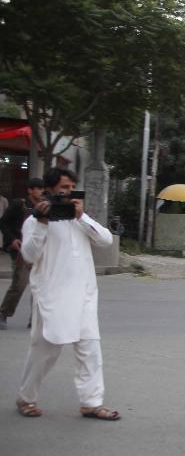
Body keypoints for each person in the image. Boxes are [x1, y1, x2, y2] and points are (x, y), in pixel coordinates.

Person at [15, 168, 119, 420]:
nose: (69, 192)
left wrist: (81, 217)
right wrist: (42, 223)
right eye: (64, 188)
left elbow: (105, 240)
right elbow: (29, 255)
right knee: (45, 349)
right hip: (52, 295)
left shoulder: (79, 219)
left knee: (90, 348)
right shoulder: (34, 221)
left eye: (72, 187)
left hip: (84, 294)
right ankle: (26, 397)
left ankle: (91, 403)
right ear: (50, 190)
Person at [0, 178, 44, 330]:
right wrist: (12, 239)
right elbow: (3, 222)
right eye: (37, 188)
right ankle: (3, 313)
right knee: (19, 284)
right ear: (30, 190)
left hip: (39, 251)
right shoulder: (19, 204)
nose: (40, 191)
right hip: (21, 251)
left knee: (38, 286)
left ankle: (35, 318)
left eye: (42, 188)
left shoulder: (44, 206)